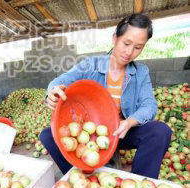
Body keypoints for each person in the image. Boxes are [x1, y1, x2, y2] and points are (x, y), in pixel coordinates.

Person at [39, 14, 172, 179]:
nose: (130, 52)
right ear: (115, 38)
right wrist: (52, 91)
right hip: (90, 134)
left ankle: (141, 184)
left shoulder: (141, 72)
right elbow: (61, 80)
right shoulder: (91, 65)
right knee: (47, 135)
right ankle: (80, 177)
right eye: (126, 43)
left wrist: (130, 122)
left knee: (160, 132)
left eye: (138, 47)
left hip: (121, 131)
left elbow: (149, 105)